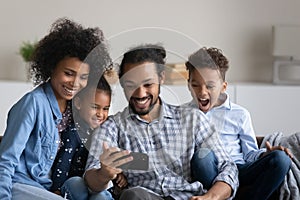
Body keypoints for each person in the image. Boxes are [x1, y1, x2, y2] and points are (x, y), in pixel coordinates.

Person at [84, 44, 239, 200]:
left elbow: (228, 167)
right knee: (133, 195)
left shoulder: (192, 119)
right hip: (143, 197)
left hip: (189, 197)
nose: (140, 93)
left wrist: (210, 197)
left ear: (161, 78)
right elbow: (91, 178)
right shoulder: (111, 128)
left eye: (148, 84)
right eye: (131, 85)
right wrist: (103, 174)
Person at [0, 18, 110, 200]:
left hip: (46, 188)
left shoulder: (75, 107)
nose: (75, 83)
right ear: (51, 66)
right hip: (19, 183)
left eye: (83, 77)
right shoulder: (33, 103)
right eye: (69, 73)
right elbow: (6, 159)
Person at [185, 47, 292, 200]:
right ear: (188, 84)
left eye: (209, 86)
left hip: (239, 168)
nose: (202, 92)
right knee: (202, 155)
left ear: (223, 87)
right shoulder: (182, 114)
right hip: (209, 171)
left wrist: (265, 154)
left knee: (281, 159)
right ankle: (215, 195)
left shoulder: (239, 114)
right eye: (196, 85)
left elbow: (249, 154)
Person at [50, 73, 125, 200]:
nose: (100, 114)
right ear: (78, 103)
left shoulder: (108, 132)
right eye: (95, 107)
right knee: (77, 184)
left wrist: (118, 175)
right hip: (75, 185)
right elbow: (62, 164)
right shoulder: (73, 132)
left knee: (102, 196)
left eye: (105, 109)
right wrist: (56, 190)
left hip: (99, 186)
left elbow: (112, 159)